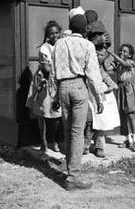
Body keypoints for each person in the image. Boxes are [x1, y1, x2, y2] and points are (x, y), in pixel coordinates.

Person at [49, 14, 104, 191]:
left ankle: (69, 171)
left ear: (70, 28)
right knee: (77, 133)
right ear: (85, 29)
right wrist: (99, 97)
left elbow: (52, 72)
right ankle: (72, 178)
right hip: (79, 86)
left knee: (67, 131)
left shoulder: (59, 44)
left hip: (63, 86)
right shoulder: (88, 45)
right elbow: (94, 74)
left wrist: (54, 96)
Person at [83, 19, 119, 158]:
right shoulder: (87, 47)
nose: (100, 54)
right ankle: (86, 144)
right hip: (87, 86)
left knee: (101, 119)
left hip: (99, 87)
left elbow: (101, 69)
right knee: (89, 120)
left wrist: (109, 83)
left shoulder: (101, 50)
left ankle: (99, 146)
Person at [26, 20, 64, 153]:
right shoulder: (45, 48)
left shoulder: (62, 45)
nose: (55, 35)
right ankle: (43, 142)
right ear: (48, 35)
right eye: (52, 33)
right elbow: (47, 68)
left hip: (58, 81)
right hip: (46, 81)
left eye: (57, 33)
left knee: (57, 114)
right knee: (43, 112)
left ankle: (54, 141)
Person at [107, 44, 135, 152]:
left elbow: (124, 63)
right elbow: (107, 69)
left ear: (130, 55)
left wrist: (112, 54)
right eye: (120, 50)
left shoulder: (130, 63)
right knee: (123, 115)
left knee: (130, 114)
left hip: (128, 88)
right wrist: (103, 57)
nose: (122, 52)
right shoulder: (117, 63)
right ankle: (128, 140)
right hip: (120, 88)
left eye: (125, 51)